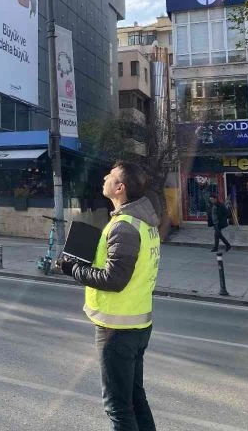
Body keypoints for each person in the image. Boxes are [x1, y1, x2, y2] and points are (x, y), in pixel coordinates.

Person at [58, 161, 161, 431]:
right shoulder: (140, 222)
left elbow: (114, 279)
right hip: (136, 324)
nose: (104, 177)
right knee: (135, 398)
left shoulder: (124, 227)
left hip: (118, 329)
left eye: (110, 176)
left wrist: (73, 268)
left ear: (120, 188)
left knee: (117, 407)